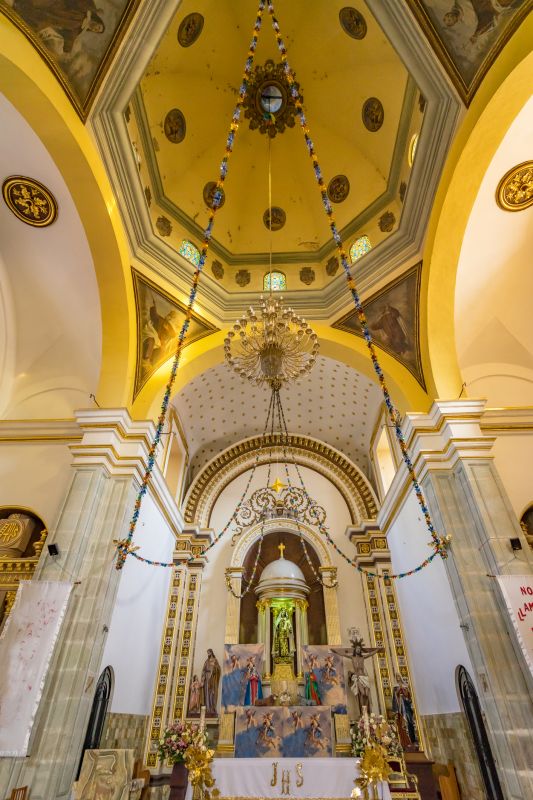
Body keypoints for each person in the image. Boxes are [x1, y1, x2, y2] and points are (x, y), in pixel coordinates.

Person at [13, 0, 105, 55]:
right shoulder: (86, 12)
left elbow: (70, 38)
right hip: (58, 5)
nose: (96, 28)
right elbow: (80, 3)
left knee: (36, 18)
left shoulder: (78, 30)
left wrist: (67, 50)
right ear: (98, 21)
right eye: (99, 27)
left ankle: (17, 7)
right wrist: (94, 10)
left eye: (97, 30)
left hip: (53, 19)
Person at [331, 628, 384, 717]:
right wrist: (335, 651)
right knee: (362, 694)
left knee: (366, 695)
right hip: (358, 678)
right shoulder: (353, 658)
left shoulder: (362, 658)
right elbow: (343, 654)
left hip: (365, 678)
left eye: (360, 648)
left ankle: (367, 712)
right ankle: (363, 711)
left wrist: (377, 650)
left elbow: (370, 654)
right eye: (357, 648)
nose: (359, 650)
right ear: (355, 650)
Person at [392, 673, 418, 749]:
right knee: (401, 725)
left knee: (409, 723)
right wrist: (398, 692)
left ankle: (412, 741)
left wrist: (404, 691)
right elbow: (394, 698)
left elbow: (409, 696)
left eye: (399, 676)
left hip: (406, 707)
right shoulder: (395, 687)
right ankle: (404, 742)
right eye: (396, 677)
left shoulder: (405, 686)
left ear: (401, 677)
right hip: (400, 709)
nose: (398, 678)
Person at [200, 648, 220, 716]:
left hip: (213, 679)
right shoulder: (206, 661)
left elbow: (218, 669)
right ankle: (207, 709)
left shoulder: (215, 660)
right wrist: (202, 680)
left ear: (211, 653)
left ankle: (212, 708)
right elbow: (203, 670)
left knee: (212, 694)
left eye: (209, 653)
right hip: (207, 679)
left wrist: (215, 668)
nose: (208, 654)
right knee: (207, 694)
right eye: (207, 653)